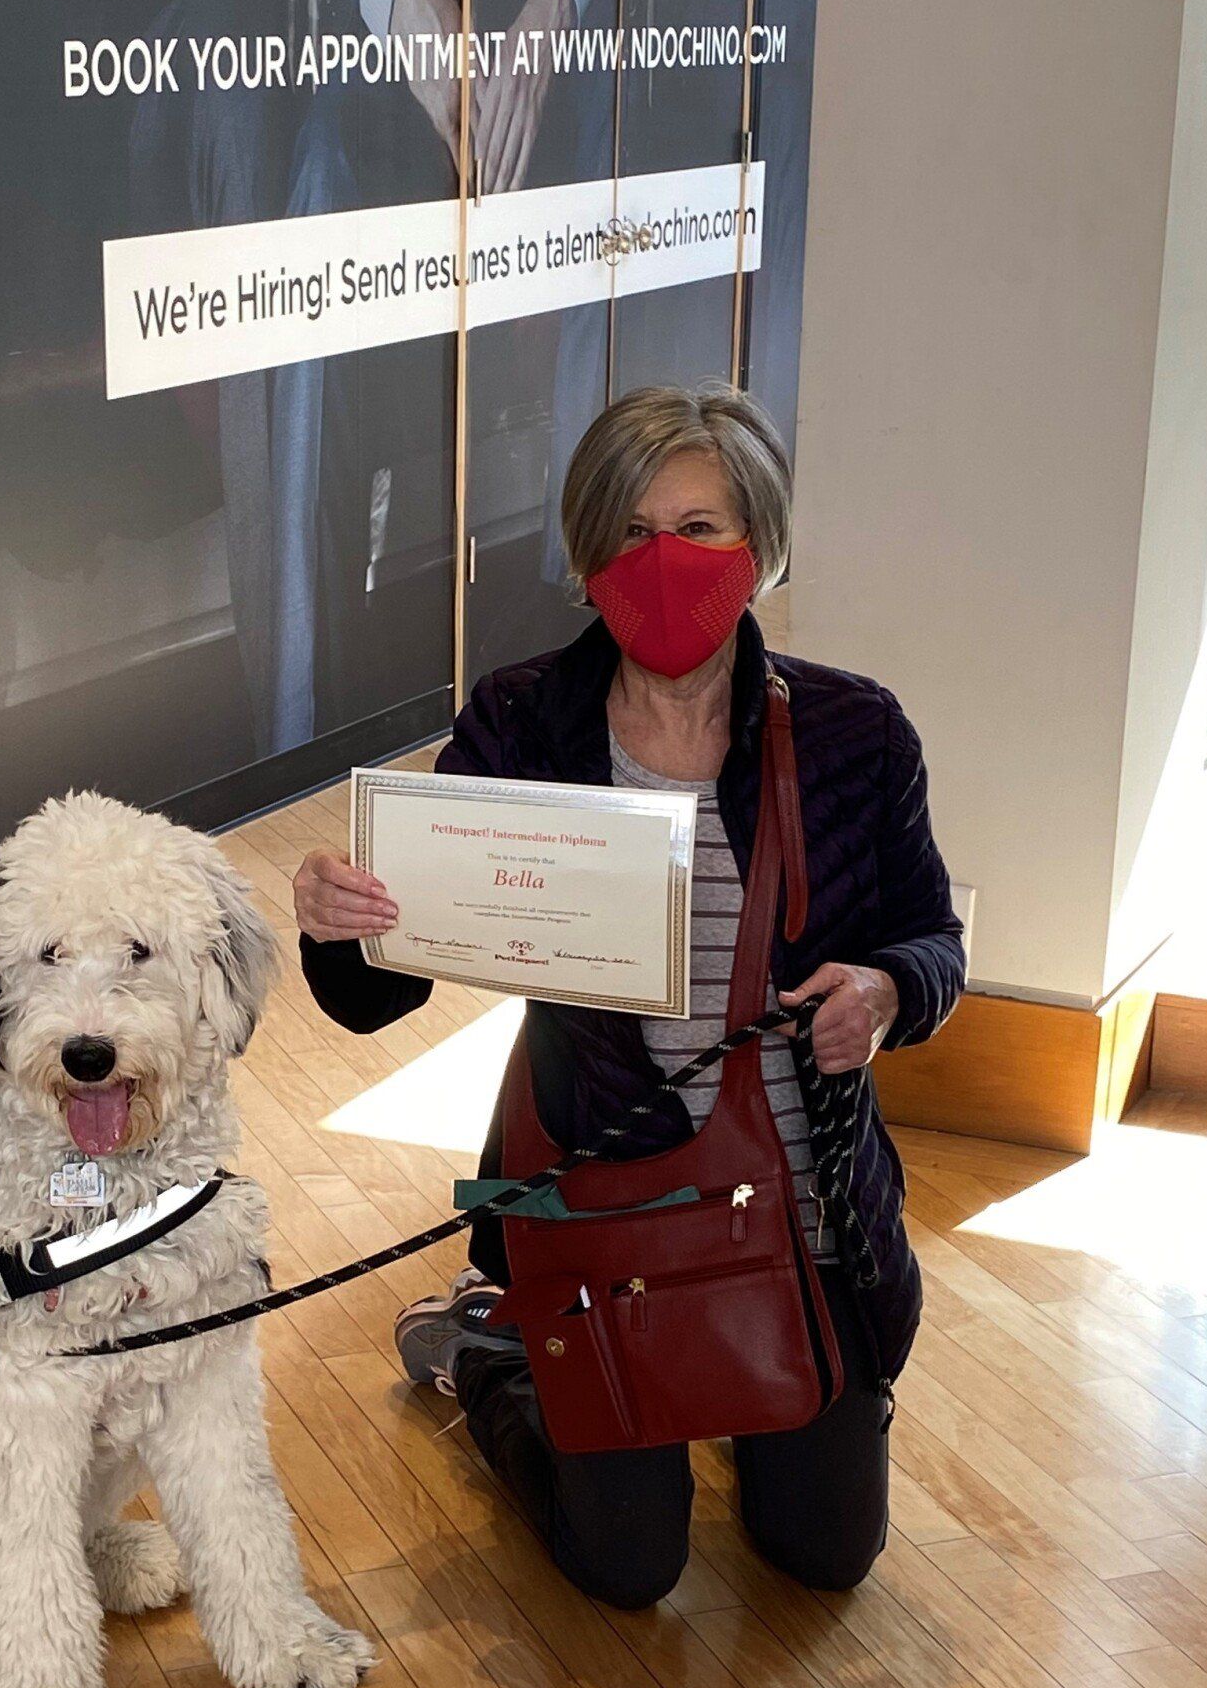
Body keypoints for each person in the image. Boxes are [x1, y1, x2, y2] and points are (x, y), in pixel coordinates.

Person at [293, 384, 965, 1610]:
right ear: (590, 553)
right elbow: (374, 997)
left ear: (760, 541)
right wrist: (339, 927)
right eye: (634, 529)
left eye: (702, 528)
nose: (667, 563)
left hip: (801, 1197)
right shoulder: (522, 719)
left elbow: (933, 941)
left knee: (824, 1556)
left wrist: (886, 990)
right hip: (607, 1189)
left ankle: (717, 1392)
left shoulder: (856, 733)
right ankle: (496, 1352)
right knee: (626, 1567)